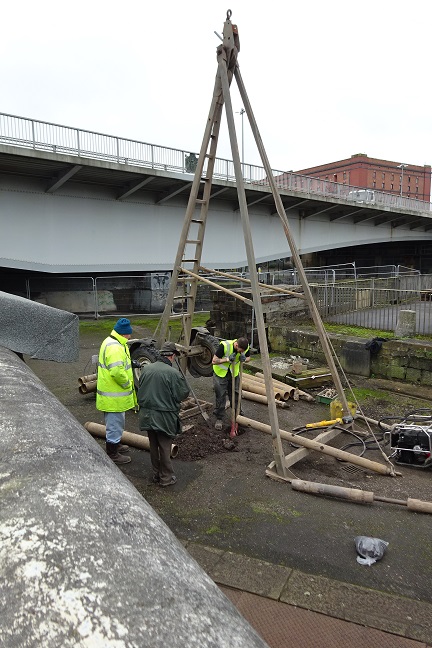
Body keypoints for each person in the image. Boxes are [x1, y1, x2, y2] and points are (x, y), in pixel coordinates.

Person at [137, 341, 190, 487]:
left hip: (146, 415)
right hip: (164, 416)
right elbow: (183, 393)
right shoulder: (173, 373)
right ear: (172, 356)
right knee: (165, 446)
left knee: (153, 446)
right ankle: (166, 477)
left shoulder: (146, 369)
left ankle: (156, 474)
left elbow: (141, 387)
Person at [96, 317, 137, 465]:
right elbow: (117, 371)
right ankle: (112, 452)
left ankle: (116, 443)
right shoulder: (115, 347)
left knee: (116, 422)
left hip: (111, 394)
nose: (130, 336)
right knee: (114, 423)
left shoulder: (113, 341)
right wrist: (127, 384)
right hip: (114, 395)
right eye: (129, 334)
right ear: (124, 334)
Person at [212, 337, 251, 431]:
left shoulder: (245, 346)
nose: (241, 352)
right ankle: (219, 417)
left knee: (236, 393)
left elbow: (249, 357)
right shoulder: (224, 346)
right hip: (220, 373)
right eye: (240, 351)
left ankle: (238, 415)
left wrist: (245, 359)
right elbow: (214, 361)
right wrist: (227, 359)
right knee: (221, 395)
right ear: (236, 345)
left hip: (234, 372)